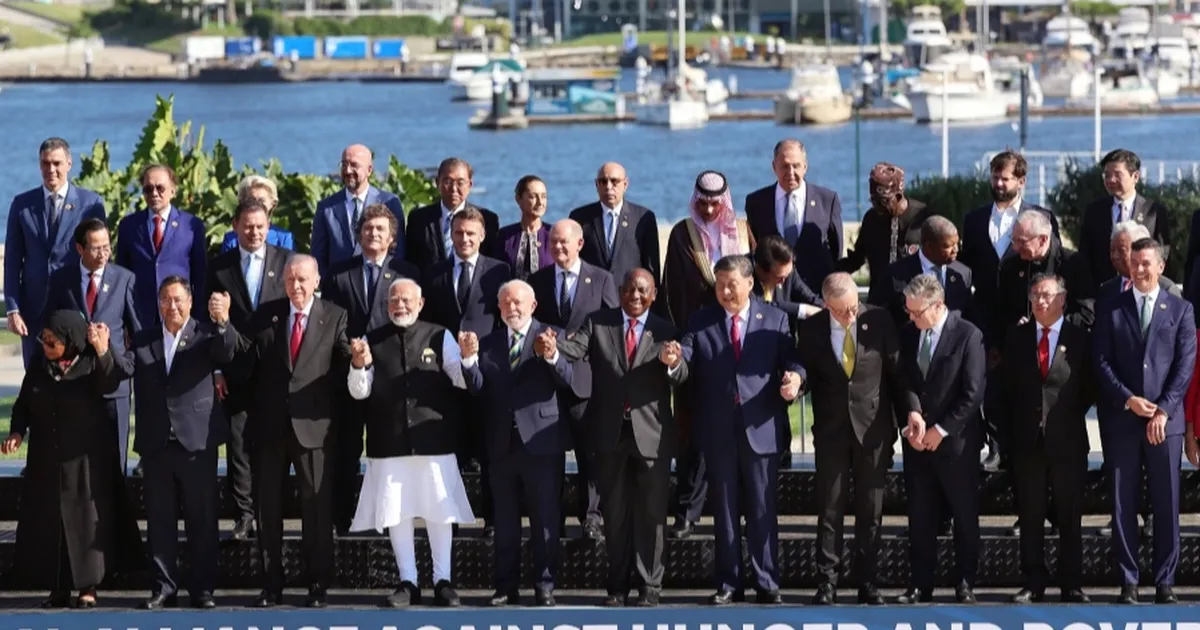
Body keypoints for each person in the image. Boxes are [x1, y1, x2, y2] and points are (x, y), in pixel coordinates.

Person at [660, 255, 803, 605]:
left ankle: (767, 582)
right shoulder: (700, 320)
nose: (724, 291)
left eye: (731, 284)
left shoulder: (775, 318)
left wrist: (796, 378)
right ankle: (729, 582)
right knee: (724, 512)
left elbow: (792, 360)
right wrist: (673, 361)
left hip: (761, 428)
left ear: (750, 283)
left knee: (762, 510)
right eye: (720, 284)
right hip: (719, 431)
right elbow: (686, 363)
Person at [229, 254, 351, 608]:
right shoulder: (267, 314)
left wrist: (359, 360)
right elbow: (245, 360)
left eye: (302, 280)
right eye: (290, 280)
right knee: (268, 510)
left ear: (316, 281)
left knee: (316, 509)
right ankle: (271, 584)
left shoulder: (334, 316)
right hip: (270, 427)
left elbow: (343, 362)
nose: (296, 286)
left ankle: (317, 583)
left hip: (314, 428)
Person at [1, 311, 141, 609]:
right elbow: (23, 404)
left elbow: (110, 381)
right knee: (52, 526)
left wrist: (103, 349)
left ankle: (88, 588)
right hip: (47, 461)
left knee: (84, 526)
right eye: (44, 340)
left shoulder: (91, 364)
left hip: (84, 464)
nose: (46, 346)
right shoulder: (41, 367)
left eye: (52, 342)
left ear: (71, 341)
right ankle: (58, 588)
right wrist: (16, 432)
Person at [348, 278, 474, 608]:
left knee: (439, 511)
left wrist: (468, 358)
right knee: (397, 511)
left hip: (434, 440)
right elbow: (359, 391)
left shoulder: (439, 335)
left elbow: (459, 379)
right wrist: (358, 364)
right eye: (394, 300)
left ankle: (443, 580)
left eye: (406, 300)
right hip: (388, 441)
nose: (400, 305)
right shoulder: (371, 339)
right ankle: (408, 581)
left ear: (420, 303)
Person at [555, 269, 677, 607]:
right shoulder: (599, 322)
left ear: (653, 293)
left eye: (642, 290)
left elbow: (680, 373)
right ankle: (617, 587)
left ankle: (650, 586)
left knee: (652, 516)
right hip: (609, 435)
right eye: (629, 290)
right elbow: (573, 349)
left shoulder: (665, 330)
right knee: (616, 514)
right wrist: (551, 350)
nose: (635, 296)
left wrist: (672, 363)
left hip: (651, 436)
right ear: (619, 292)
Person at [798, 272, 919, 606]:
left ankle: (869, 581)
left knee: (871, 510)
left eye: (853, 307)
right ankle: (827, 583)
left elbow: (897, 373)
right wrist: (795, 381)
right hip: (832, 432)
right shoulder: (811, 329)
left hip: (874, 433)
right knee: (830, 510)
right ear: (826, 305)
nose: (850, 315)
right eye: (841, 311)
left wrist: (912, 410)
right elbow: (805, 371)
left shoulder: (878, 321)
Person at [1093, 237, 1195, 605]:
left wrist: (1164, 410)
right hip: (1123, 421)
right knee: (1122, 502)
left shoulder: (1181, 310)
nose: (1138, 269)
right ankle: (1129, 581)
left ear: (1161, 266)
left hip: (1165, 424)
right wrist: (1128, 399)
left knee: (1166, 503)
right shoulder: (1111, 308)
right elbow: (1101, 362)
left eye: (1145, 263)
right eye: (1134, 263)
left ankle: (1165, 582)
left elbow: (1185, 366)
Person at [463, 280, 573, 606]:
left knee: (545, 520)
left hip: (541, 443)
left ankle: (545, 585)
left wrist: (552, 356)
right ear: (499, 308)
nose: (512, 308)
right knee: (505, 523)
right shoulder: (489, 342)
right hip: (500, 445)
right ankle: (505, 586)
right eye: (506, 303)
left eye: (518, 303)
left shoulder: (553, 335)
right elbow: (478, 388)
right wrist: (469, 362)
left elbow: (568, 380)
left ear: (533, 306)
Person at [132, 277, 238, 610]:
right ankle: (164, 586)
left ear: (190, 302)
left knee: (202, 519)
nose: (172, 306)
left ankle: (202, 588)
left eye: (178, 300)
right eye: (166, 299)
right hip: (156, 442)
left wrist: (223, 323)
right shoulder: (143, 339)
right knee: (160, 521)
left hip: (196, 441)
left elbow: (228, 350)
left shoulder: (206, 334)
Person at [660, 172, 754, 540]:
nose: (711, 208)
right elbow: (673, 290)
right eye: (704, 202)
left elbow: (757, 283)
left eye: (717, 202)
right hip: (698, 337)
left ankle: (744, 512)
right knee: (694, 431)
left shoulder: (744, 231)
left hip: (740, 338)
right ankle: (688, 511)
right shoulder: (683, 233)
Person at [320, 203, 421, 534]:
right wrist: (352, 352)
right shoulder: (338, 273)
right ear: (358, 234)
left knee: (386, 449)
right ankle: (342, 518)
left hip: (390, 373)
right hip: (348, 369)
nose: (373, 234)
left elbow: (411, 323)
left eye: (380, 230)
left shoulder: (407, 272)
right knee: (346, 447)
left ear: (392, 238)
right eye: (367, 228)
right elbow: (331, 321)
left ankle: (388, 518)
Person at [958, 150, 1061, 473]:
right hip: (987, 317)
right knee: (990, 387)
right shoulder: (975, 220)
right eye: (995, 177)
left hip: (1027, 318)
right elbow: (968, 269)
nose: (999, 184)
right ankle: (996, 447)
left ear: (1021, 181)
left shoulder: (1041, 216)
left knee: (1025, 391)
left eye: (1005, 178)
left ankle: (1025, 455)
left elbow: (1051, 267)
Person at [895, 274, 986, 605]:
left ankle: (964, 581)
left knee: (963, 514)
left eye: (917, 313)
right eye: (909, 312)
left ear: (938, 306)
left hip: (956, 443)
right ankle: (921, 583)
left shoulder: (967, 335)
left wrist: (941, 430)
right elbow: (904, 379)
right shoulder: (908, 334)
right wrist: (913, 414)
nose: (911, 318)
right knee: (920, 516)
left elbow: (973, 393)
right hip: (917, 441)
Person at [1001, 274, 1092, 604]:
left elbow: (1088, 388)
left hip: (1067, 441)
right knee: (1031, 514)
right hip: (1027, 442)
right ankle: (1033, 581)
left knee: (1070, 514)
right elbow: (1005, 388)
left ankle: (1071, 583)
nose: (1041, 301)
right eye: (1036, 295)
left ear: (1063, 299)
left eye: (1048, 296)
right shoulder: (1017, 337)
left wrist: (1063, 418)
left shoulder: (1080, 339)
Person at [528, 218, 619, 541]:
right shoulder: (537, 280)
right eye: (553, 243)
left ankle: (592, 516)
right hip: (547, 380)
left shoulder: (602, 279)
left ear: (579, 244)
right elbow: (529, 322)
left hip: (586, 380)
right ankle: (551, 516)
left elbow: (612, 328)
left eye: (564, 242)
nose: (558, 248)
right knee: (549, 455)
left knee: (589, 454)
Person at [205, 199, 290, 540]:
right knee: (238, 445)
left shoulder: (285, 262)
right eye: (247, 226)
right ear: (235, 226)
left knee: (272, 444)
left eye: (260, 226)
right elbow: (209, 320)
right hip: (234, 369)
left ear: (268, 226)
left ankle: (270, 512)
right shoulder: (219, 267)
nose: (254, 232)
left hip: (274, 369)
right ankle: (243, 516)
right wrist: (215, 369)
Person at [47, 218, 140, 474]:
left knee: (115, 459)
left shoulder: (124, 279)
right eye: (96, 248)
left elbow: (137, 332)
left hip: (114, 383)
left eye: (107, 247)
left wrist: (125, 362)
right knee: (76, 462)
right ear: (80, 249)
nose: (103, 254)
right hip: (75, 384)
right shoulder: (61, 279)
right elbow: (49, 326)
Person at [5, 137, 107, 367]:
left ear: (69, 164)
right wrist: (13, 308)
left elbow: (100, 259)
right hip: (33, 310)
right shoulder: (22, 205)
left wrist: (99, 306)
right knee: (36, 382)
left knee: (75, 379)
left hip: (74, 306)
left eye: (57, 163)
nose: (51, 169)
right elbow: (12, 261)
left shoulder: (90, 203)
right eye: (45, 163)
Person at [115, 163, 208, 326]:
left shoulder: (191, 225)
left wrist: (198, 319)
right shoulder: (129, 225)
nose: (154, 194)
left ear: (173, 190)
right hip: (141, 317)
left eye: (160, 188)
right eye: (148, 189)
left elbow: (200, 277)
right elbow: (122, 273)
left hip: (179, 314)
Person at [744, 140, 844, 292]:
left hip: (816, 295)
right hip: (773, 296)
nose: (790, 173)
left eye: (796, 166)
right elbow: (755, 248)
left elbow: (836, 251)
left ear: (805, 166)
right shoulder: (756, 202)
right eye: (784, 166)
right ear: (774, 167)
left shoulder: (827, 200)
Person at [837, 162, 937, 302]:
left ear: (898, 196)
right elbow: (857, 258)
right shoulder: (871, 219)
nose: (877, 207)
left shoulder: (923, 218)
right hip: (879, 301)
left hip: (915, 303)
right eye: (873, 201)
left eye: (883, 202)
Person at [1079, 149, 1171, 287]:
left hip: (1143, 288)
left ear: (1135, 176)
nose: (1111, 180)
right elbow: (1085, 255)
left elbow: (1163, 255)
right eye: (1107, 175)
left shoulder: (1154, 212)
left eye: (1117, 175)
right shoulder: (1094, 211)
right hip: (1103, 291)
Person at [311, 144, 406, 277]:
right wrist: (329, 286)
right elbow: (318, 255)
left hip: (380, 284)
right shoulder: (327, 207)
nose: (348, 170)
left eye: (354, 165)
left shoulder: (390, 202)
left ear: (369, 170)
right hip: (338, 288)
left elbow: (398, 249)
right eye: (344, 165)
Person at [570, 162, 662, 287]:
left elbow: (652, 267)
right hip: (592, 297)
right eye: (603, 182)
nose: (608, 187)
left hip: (629, 296)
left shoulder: (643, 218)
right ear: (596, 184)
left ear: (625, 184)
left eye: (614, 181)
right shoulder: (580, 217)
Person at [871, 216, 972, 326]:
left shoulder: (963, 273)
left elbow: (968, 316)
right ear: (929, 246)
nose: (956, 250)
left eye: (956, 244)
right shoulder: (895, 274)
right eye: (948, 246)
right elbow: (876, 314)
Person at [405, 157, 501, 270]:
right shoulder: (419, 219)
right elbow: (410, 263)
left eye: (460, 183)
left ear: (470, 185)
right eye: (447, 182)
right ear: (437, 183)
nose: (454, 189)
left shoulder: (488, 220)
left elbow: (490, 263)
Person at [496, 175, 553, 280]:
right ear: (518, 199)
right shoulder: (504, 236)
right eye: (533, 197)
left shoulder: (553, 234)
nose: (540, 202)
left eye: (544, 196)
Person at [221, 175, 294, 252]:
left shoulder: (284, 239)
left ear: (273, 204)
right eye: (251, 200)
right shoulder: (232, 239)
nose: (256, 205)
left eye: (261, 201)